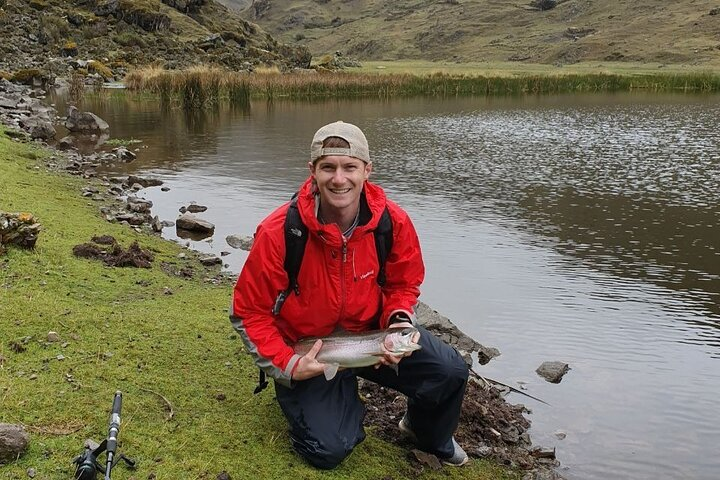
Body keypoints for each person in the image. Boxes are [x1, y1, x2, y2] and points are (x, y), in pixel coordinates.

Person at [230, 121, 469, 469]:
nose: (339, 179)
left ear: (367, 171)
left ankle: (426, 431)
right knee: (328, 451)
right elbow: (249, 313)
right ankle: (323, 401)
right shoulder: (280, 231)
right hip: (311, 351)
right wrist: (288, 365)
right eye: (328, 167)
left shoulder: (393, 223)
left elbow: (403, 285)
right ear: (312, 171)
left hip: (372, 336)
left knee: (450, 370)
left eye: (349, 167)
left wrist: (398, 318)